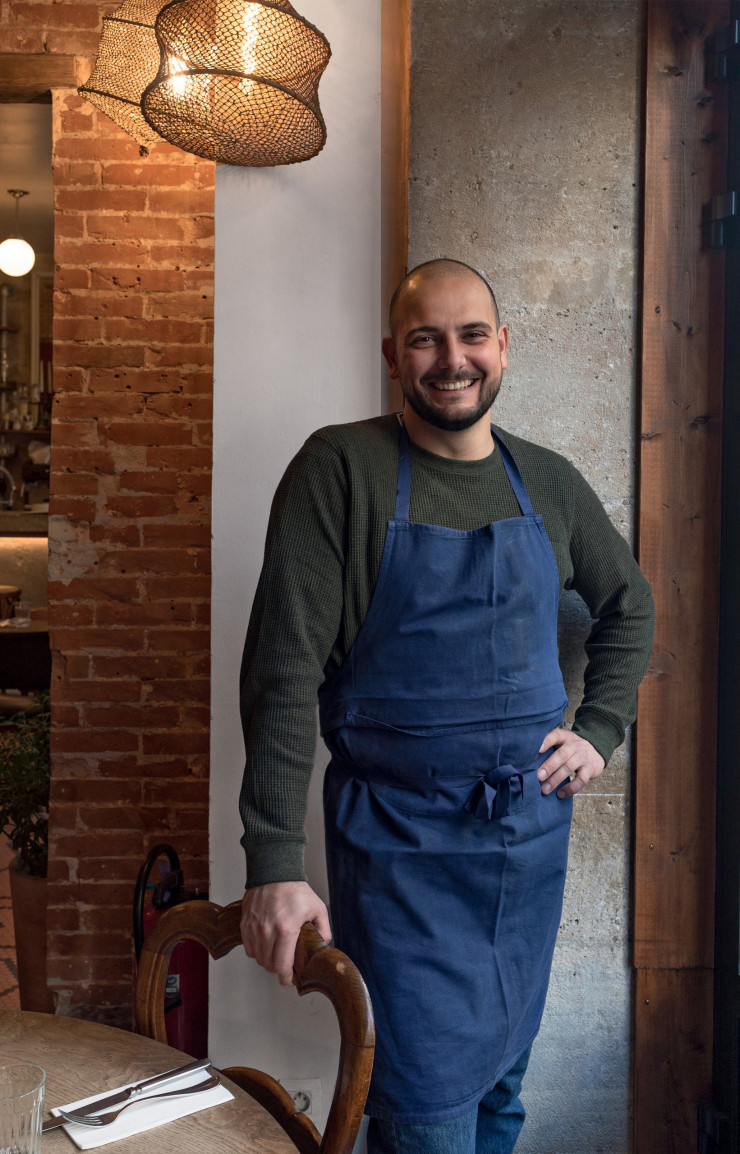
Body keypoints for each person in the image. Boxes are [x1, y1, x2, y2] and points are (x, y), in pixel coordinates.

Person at [238, 258, 654, 1154]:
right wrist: (272, 858)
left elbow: (631, 605)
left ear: (503, 348)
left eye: (472, 335)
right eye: (426, 337)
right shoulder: (339, 470)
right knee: (423, 1113)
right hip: (402, 854)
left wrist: (600, 731)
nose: (451, 358)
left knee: (504, 1091)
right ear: (394, 354)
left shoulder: (546, 481)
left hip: (529, 850)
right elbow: (281, 672)